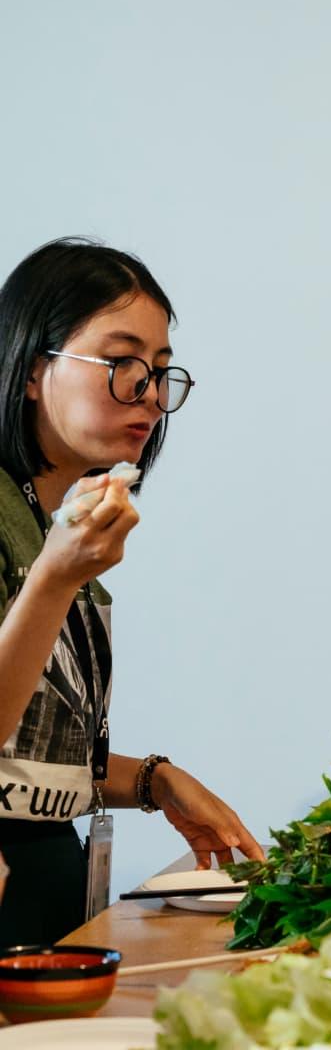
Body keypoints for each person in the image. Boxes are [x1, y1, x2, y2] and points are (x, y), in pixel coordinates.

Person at [0, 238, 262, 945]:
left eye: (160, 371)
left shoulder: (55, 527)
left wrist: (151, 780)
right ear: (33, 370)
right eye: (121, 364)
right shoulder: (43, 543)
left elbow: (26, 756)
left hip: (48, 892)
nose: (149, 393)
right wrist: (54, 579)